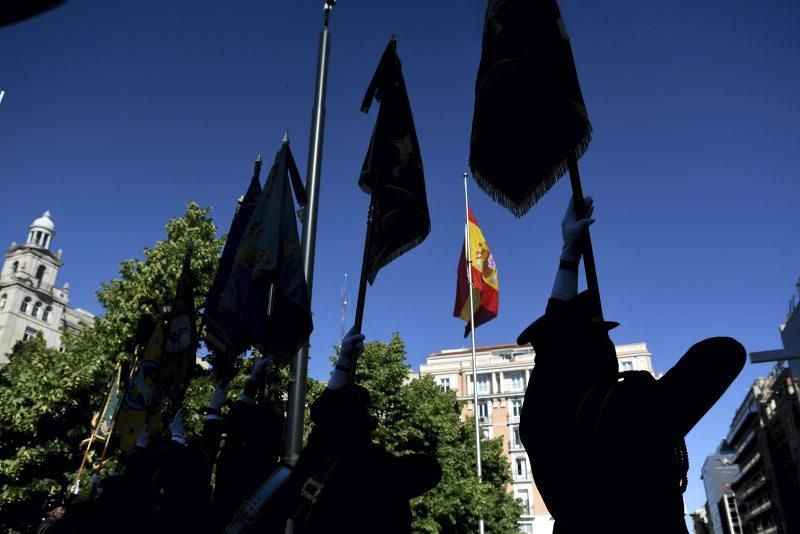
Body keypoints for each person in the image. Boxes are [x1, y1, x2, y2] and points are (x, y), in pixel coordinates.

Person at [517, 196, 745, 534]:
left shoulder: (540, 421)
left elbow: (554, 350)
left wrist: (569, 255)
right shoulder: (631, 411)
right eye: (602, 340)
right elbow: (726, 352)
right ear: (595, 355)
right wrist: (644, 388)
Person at [256, 329, 441, 533]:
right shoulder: (377, 470)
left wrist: (343, 363)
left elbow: (323, 417)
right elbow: (429, 469)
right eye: (367, 410)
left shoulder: (317, 462)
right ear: (366, 425)